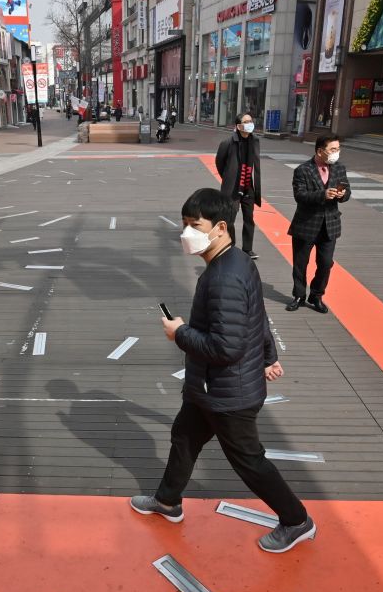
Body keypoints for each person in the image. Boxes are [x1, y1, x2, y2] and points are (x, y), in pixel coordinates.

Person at [131, 188, 316, 554]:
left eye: (194, 225)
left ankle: (296, 520)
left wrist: (179, 333)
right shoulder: (238, 261)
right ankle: (168, 501)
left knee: (248, 461)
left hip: (227, 394)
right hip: (208, 389)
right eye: (184, 224)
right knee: (184, 436)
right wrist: (267, 356)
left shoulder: (223, 278)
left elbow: (225, 348)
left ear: (219, 227)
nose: (187, 233)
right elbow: (258, 316)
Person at [287, 135, 351, 313]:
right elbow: (299, 195)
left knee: (325, 263)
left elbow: (347, 191)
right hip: (306, 224)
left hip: (330, 224)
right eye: (332, 150)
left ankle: (316, 295)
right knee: (300, 263)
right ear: (320, 151)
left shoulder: (339, 168)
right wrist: (322, 194)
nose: (336, 153)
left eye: (338, 149)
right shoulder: (303, 170)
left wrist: (342, 195)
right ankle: (299, 295)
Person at [215, 113, 262, 259]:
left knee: (249, 218)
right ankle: (231, 248)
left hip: (248, 186)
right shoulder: (228, 142)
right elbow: (219, 162)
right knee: (230, 219)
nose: (249, 123)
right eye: (246, 121)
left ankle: (247, 249)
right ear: (238, 125)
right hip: (233, 187)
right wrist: (228, 178)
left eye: (251, 121)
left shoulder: (255, 140)